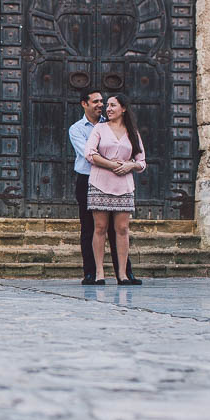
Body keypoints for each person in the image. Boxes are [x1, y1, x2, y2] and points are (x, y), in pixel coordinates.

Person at [68, 89, 132, 286]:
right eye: (95, 101)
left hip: (115, 179)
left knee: (118, 228)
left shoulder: (112, 124)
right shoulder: (77, 129)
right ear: (84, 104)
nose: (100, 105)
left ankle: (124, 273)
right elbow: (89, 153)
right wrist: (114, 162)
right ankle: (91, 273)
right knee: (91, 228)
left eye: (102, 102)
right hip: (87, 179)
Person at [83, 94, 145, 285]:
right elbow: (90, 153)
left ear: (123, 109)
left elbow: (142, 162)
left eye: (112, 105)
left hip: (124, 185)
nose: (108, 109)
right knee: (100, 228)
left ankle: (123, 274)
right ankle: (100, 272)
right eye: (107, 105)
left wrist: (130, 166)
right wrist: (111, 165)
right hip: (100, 183)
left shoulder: (132, 132)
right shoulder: (99, 129)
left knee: (122, 229)